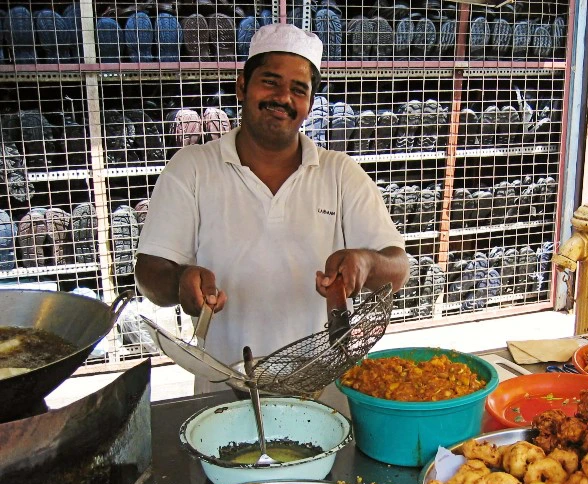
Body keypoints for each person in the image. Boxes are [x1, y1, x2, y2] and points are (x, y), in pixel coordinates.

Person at [135, 23, 409, 392]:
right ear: (242, 86)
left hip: (323, 391)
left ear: (309, 104)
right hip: (225, 390)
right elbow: (149, 272)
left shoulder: (340, 173)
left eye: (299, 89)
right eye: (270, 82)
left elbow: (398, 268)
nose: (283, 98)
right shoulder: (192, 168)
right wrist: (180, 281)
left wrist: (367, 263)